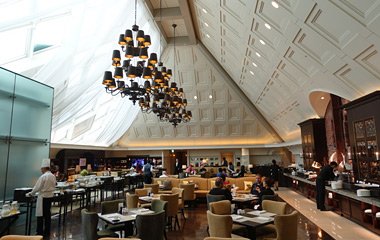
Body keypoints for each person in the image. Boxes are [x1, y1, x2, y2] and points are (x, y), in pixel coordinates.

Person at [26, 159, 56, 237]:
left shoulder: (44, 176)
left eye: (41, 168)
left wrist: (30, 193)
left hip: (43, 198)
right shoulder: (53, 176)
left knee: (40, 216)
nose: (41, 170)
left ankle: (39, 233)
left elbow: (37, 187)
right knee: (47, 215)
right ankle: (47, 231)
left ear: (44, 168)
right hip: (50, 197)